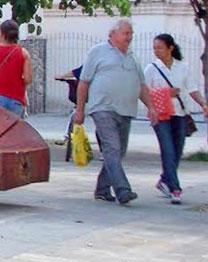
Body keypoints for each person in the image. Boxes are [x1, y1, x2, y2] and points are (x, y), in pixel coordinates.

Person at [74, 19, 158, 205]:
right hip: (103, 108)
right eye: (126, 33)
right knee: (112, 148)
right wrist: (80, 110)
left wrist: (151, 107)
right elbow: (84, 81)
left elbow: (142, 85)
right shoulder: (98, 52)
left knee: (119, 152)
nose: (130, 37)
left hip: (126, 110)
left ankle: (102, 189)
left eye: (131, 33)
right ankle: (123, 190)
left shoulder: (132, 56)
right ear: (113, 34)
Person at [144, 33, 208, 205]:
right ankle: (175, 188)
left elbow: (192, 89)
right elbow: (143, 91)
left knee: (178, 150)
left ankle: (164, 180)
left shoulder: (183, 67)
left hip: (179, 113)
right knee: (168, 150)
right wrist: (165, 94)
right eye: (154, 48)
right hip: (161, 115)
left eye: (160, 47)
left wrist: (203, 103)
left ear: (170, 48)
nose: (156, 51)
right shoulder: (151, 69)